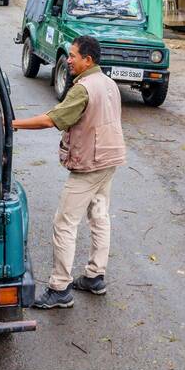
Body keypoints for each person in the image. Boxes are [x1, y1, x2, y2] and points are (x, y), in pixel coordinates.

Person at [13, 35, 125, 309]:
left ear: (88, 60)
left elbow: (52, 120)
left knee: (64, 223)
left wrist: (12, 123)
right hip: (110, 160)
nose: (69, 59)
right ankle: (95, 276)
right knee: (99, 217)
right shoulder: (109, 83)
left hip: (90, 165)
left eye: (73, 55)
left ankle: (60, 288)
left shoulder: (83, 88)